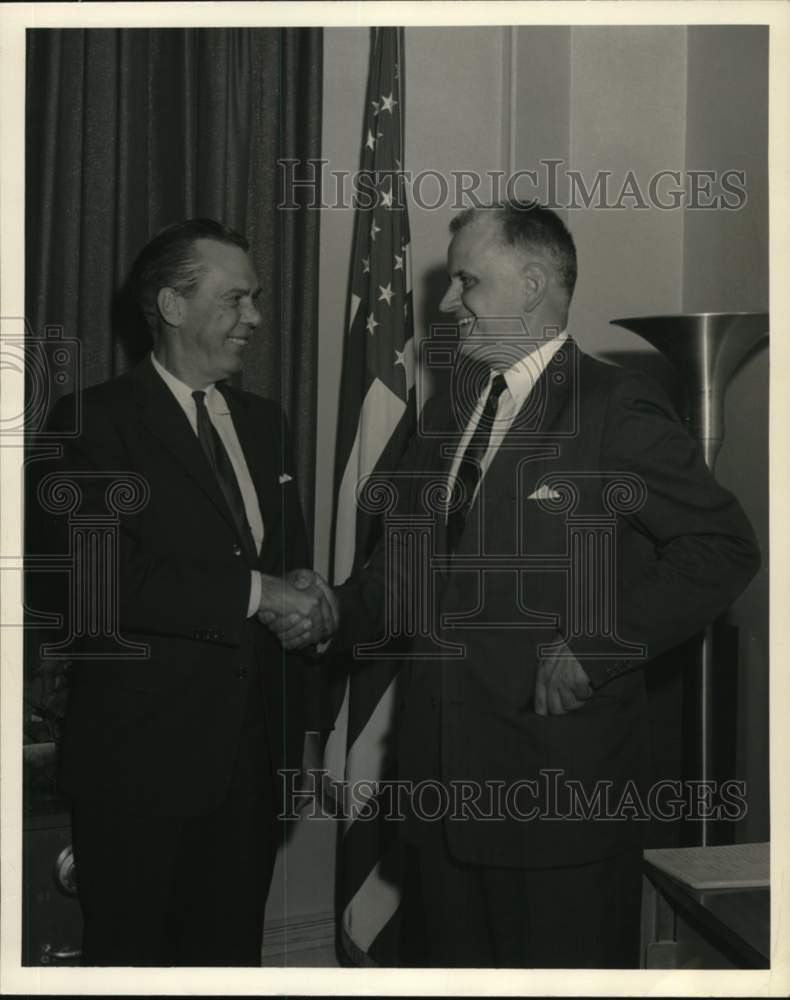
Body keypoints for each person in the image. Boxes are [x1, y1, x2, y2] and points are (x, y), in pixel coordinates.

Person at [271, 202, 760, 968]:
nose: (446, 301)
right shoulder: (450, 409)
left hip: (555, 799)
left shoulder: (613, 405)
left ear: (532, 283)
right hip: (439, 801)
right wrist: (332, 608)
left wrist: (596, 648)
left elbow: (722, 547)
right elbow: (403, 575)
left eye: (467, 280)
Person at [31, 219, 334, 966]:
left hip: (251, 774)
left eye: (257, 299)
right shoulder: (89, 424)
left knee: (230, 963)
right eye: (236, 300)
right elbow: (87, 582)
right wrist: (256, 592)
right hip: (137, 775)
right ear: (171, 306)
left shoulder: (266, 425)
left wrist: (310, 607)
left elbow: (285, 570)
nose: (256, 318)